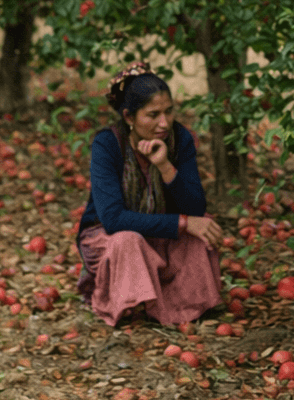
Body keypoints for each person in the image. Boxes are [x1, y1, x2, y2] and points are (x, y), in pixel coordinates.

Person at [75, 63, 224, 326]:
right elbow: (113, 219)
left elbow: (195, 208)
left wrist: (165, 166)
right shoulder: (107, 144)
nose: (163, 123)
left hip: (159, 233)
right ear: (129, 117)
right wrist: (183, 223)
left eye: (169, 112)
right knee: (128, 241)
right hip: (109, 237)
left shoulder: (180, 138)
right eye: (152, 114)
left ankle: (181, 305)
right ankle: (130, 303)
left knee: (202, 231)